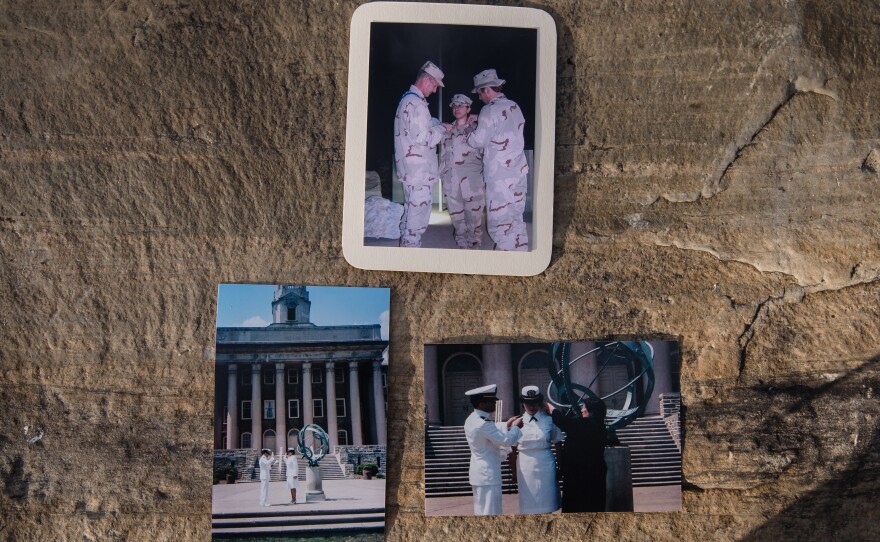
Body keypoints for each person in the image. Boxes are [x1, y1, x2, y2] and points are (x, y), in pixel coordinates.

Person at [466, 68, 529, 251]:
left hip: (500, 177)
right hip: (518, 173)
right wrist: (481, 121)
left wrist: (472, 130)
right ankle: (520, 257)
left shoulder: (489, 110)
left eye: (479, 92)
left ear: (486, 90)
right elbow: (502, 128)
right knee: (516, 219)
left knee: (500, 225)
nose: (479, 97)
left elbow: (478, 141)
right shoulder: (514, 106)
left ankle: (505, 266)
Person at [393, 61, 448, 247]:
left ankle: (405, 250)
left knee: (410, 214)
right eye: (434, 85)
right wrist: (442, 129)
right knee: (416, 221)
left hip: (412, 171)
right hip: (419, 173)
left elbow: (418, 129)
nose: (434, 90)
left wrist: (437, 124)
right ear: (426, 79)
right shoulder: (416, 104)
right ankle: (410, 258)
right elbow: (425, 138)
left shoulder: (408, 99)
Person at [464, 384, 523, 516]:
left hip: (479, 473)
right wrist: (515, 427)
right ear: (481, 404)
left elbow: (488, 430)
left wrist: (505, 424)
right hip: (488, 474)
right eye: (491, 401)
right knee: (491, 513)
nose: (495, 403)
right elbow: (506, 441)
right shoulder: (483, 422)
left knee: (481, 511)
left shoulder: (472, 418)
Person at [546, 397, 608, 512]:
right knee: (595, 505)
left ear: (590, 410)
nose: (581, 409)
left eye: (584, 407)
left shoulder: (583, 425)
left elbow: (562, 421)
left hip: (579, 474)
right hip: (596, 472)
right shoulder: (600, 426)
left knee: (576, 507)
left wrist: (551, 408)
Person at [440, 93, 485, 249]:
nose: (457, 108)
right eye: (454, 106)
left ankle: (473, 244)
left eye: (461, 105)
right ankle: (461, 243)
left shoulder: (476, 129)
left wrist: (480, 118)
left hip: (472, 180)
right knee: (456, 215)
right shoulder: (447, 131)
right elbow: (443, 155)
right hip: (451, 180)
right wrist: (442, 174)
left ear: (468, 108)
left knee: (474, 215)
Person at [512, 386, 563, 514]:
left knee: (548, 501)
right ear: (523, 403)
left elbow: (558, 443)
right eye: (528, 403)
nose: (531, 406)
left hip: (546, 464)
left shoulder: (549, 420)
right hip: (525, 466)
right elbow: (511, 449)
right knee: (529, 505)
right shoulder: (517, 422)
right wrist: (513, 471)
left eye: (534, 402)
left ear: (540, 402)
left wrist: (560, 466)